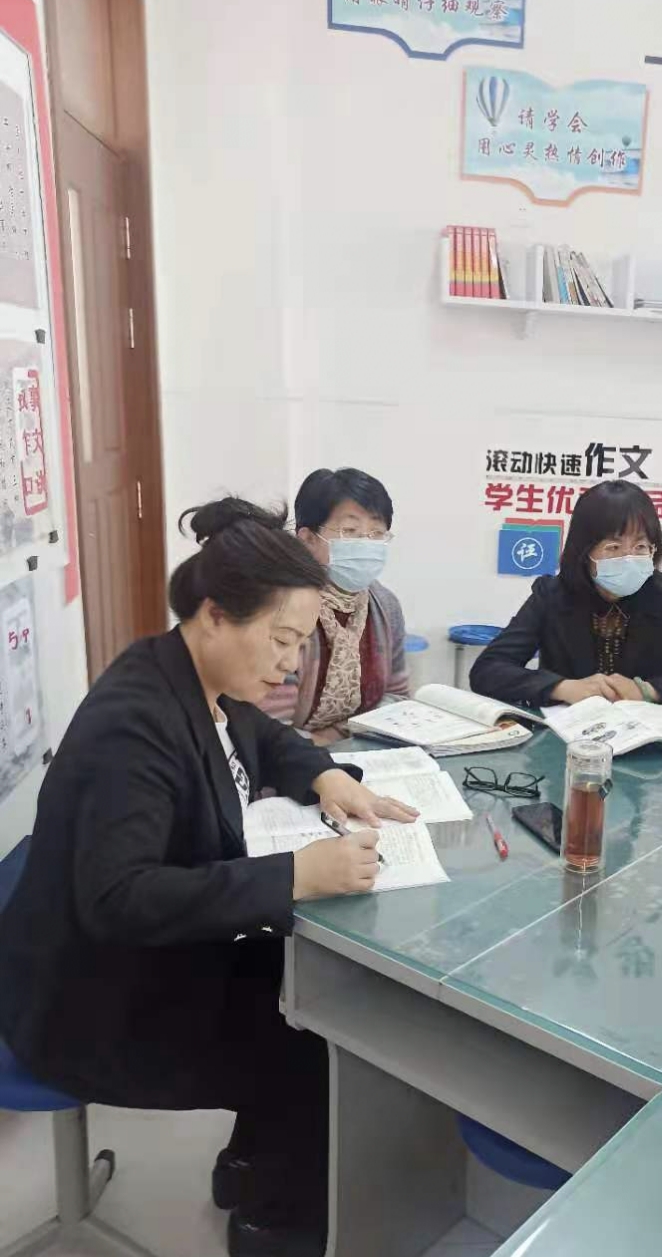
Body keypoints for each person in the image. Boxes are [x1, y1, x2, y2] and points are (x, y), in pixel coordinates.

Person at [0, 498, 418, 1257]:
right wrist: (294, 875)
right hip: (93, 1000)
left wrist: (325, 774)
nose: (291, 663)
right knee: (314, 1039)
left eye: (299, 642)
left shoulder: (191, 674)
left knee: (309, 993)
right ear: (216, 615)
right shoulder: (135, 724)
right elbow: (120, 899)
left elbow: (264, 736)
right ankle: (272, 1224)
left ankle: (253, 1168)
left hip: (150, 955)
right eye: (282, 640)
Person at [469, 480, 662, 709]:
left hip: (646, 737)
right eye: (613, 547)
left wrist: (646, 691)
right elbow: (488, 670)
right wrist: (562, 688)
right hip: (567, 732)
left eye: (640, 546)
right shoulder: (551, 595)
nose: (628, 558)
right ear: (584, 551)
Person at [261, 467, 408, 745]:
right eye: (350, 531)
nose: (366, 544)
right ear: (308, 538)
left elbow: (397, 698)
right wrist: (332, 743)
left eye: (377, 533)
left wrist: (341, 734)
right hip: (289, 760)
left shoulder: (386, 606)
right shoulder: (281, 606)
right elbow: (269, 728)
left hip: (366, 752)